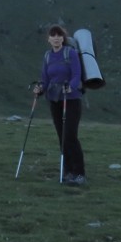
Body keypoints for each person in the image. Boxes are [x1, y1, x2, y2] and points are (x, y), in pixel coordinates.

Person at [33, 25, 87, 185]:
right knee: (62, 137)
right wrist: (40, 88)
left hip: (71, 100)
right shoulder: (47, 56)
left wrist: (72, 85)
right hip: (55, 100)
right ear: (48, 39)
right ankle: (68, 171)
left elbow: (77, 74)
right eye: (53, 35)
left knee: (70, 136)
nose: (56, 38)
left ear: (63, 38)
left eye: (59, 35)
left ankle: (80, 174)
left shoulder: (70, 53)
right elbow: (45, 78)